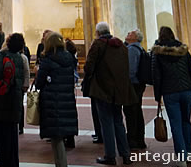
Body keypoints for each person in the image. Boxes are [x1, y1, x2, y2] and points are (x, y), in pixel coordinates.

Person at [84, 21, 134, 166]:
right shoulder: (122, 46)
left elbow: (89, 66)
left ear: (98, 33)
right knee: (118, 121)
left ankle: (110, 155)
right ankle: (126, 155)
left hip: (102, 89)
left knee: (106, 123)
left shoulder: (98, 44)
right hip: (118, 90)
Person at [152, 25, 191, 162]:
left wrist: (157, 96)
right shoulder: (183, 50)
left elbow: (156, 76)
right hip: (187, 90)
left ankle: (182, 158)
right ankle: (188, 153)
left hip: (170, 92)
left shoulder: (158, 52)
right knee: (186, 122)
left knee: (176, 124)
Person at [35, 31, 78, 167]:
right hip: (67, 99)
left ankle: (61, 164)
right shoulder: (69, 58)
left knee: (56, 138)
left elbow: (39, 83)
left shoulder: (47, 60)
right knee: (60, 134)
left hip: (52, 101)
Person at [0, 32, 25, 167]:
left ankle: (4, 163)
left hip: (1, 100)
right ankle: (13, 163)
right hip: (14, 98)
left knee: (1, 137)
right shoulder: (20, 58)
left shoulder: (1, 56)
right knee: (12, 135)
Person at [123, 29, 147, 149]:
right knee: (137, 111)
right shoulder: (139, 48)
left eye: (130, 33)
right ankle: (140, 139)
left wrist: (126, 83)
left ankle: (132, 140)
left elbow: (130, 70)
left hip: (133, 84)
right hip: (139, 84)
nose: (127, 34)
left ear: (135, 38)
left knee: (131, 112)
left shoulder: (132, 49)